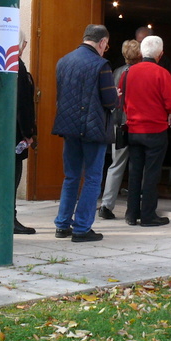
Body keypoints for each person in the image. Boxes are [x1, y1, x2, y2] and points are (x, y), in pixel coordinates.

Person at [51, 24, 118, 243]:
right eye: (105, 46)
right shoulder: (101, 65)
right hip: (93, 129)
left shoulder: (64, 61)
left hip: (69, 129)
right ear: (101, 42)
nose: (104, 50)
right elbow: (109, 101)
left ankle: (62, 224)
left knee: (71, 176)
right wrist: (117, 96)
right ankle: (81, 228)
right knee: (92, 178)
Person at [123, 35, 171, 226]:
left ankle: (131, 214)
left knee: (134, 172)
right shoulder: (162, 73)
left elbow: (121, 100)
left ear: (141, 52)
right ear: (160, 54)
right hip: (155, 129)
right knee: (151, 173)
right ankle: (148, 215)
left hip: (133, 129)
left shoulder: (128, 72)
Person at [99, 38, 142, 220]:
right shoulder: (140, 73)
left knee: (116, 165)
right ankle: (136, 205)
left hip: (118, 124)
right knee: (139, 165)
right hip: (135, 123)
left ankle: (106, 204)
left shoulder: (116, 72)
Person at [13, 36, 37, 235]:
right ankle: (8, 217)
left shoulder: (2, 65)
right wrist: (28, 132)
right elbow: (23, 105)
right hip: (15, 132)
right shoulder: (18, 68)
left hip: (6, 129)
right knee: (13, 174)